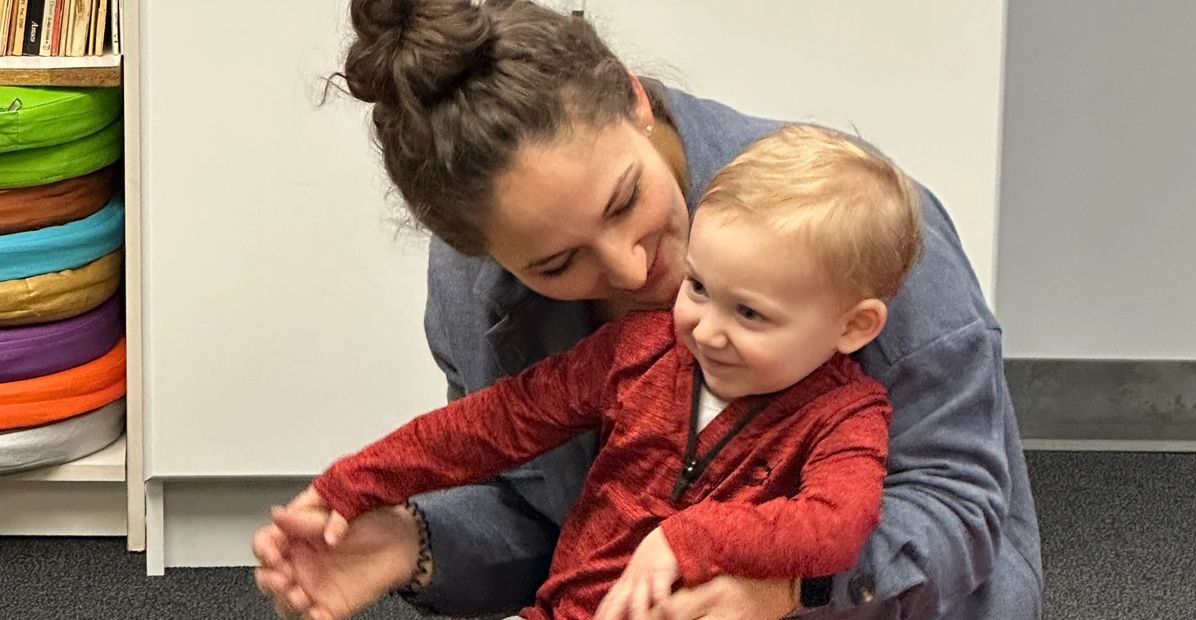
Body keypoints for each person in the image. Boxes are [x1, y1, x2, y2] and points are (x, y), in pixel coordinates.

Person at [253, 1, 1044, 618]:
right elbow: (534, 507)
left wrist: (781, 590)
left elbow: (958, 506)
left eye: (626, 199)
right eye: (556, 264)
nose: (634, 269)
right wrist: (408, 541)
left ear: (633, 99)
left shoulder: (849, 227)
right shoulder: (471, 290)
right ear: (486, 253)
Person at [292, 124, 921, 620]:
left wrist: (688, 539)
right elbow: (494, 423)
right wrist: (355, 482)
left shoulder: (849, 416)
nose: (704, 330)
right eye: (699, 286)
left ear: (854, 326)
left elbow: (836, 524)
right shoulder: (639, 349)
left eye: (750, 313)